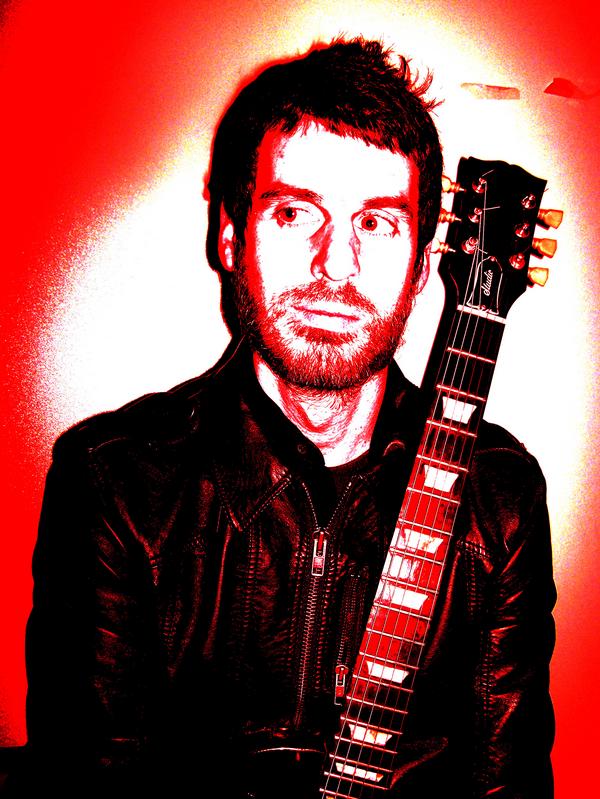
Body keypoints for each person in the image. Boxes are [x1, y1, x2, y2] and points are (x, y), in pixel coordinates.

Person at [15, 38, 555, 798]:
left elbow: (509, 783)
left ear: (422, 266)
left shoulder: (500, 500)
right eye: (296, 212)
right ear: (231, 237)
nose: (336, 265)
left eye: (378, 223)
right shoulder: (117, 486)